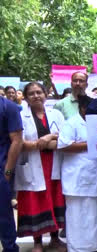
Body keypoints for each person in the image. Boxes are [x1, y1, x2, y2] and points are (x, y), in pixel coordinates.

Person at [15, 82, 66, 252]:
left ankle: (54, 239)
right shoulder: (21, 115)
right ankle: (37, 241)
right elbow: (19, 142)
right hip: (32, 164)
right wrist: (40, 143)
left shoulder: (56, 114)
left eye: (39, 92)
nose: (36, 96)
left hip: (54, 163)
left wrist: (49, 137)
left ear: (45, 94)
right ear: (26, 97)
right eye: (32, 93)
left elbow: (64, 135)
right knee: (35, 202)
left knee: (54, 199)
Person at [57, 95, 97, 252]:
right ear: (82, 109)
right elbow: (64, 145)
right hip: (77, 179)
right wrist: (93, 143)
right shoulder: (71, 123)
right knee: (78, 216)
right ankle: (77, 247)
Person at [0, 95, 23, 252]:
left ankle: (10, 248)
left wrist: (8, 171)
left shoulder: (8, 107)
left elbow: (17, 140)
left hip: (1, 170)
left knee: (3, 214)